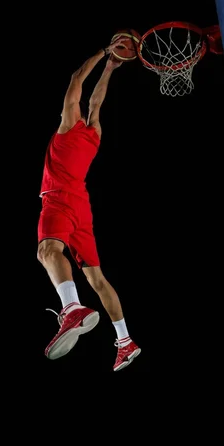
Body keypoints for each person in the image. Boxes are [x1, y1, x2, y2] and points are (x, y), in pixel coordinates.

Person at [37, 36, 141, 372]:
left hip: (60, 200)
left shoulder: (67, 127)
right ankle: (125, 341)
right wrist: (111, 67)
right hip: (82, 207)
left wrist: (102, 52)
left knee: (47, 251)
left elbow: (76, 80)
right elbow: (96, 101)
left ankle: (72, 309)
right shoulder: (94, 134)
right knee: (97, 278)